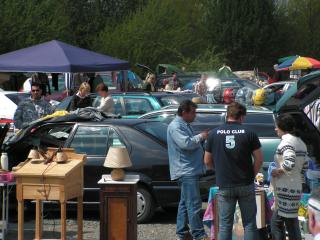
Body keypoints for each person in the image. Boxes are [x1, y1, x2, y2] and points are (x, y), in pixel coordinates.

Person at [204, 102, 263, 240]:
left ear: (227, 115)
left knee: (225, 225)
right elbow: (259, 159)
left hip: (224, 184)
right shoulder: (249, 133)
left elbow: (206, 161)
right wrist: (251, 175)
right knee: (249, 223)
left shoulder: (213, 134)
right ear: (241, 117)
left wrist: (219, 170)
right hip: (245, 183)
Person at [167, 100, 209, 240]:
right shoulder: (175, 126)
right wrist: (201, 136)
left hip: (189, 170)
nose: (195, 115)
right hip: (186, 171)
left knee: (185, 203)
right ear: (184, 112)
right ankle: (199, 234)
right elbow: (186, 144)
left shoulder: (184, 125)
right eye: (193, 112)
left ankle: (182, 232)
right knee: (194, 204)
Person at [270, 114, 308, 240]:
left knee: (277, 223)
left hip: (286, 187)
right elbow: (305, 165)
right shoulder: (301, 142)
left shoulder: (286, 142)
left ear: (281, 127)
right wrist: (300, 181)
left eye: (276, 126)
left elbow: (289, 161)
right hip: (295, 187)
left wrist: (278, 171)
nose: (275, 129)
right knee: (291, 223)